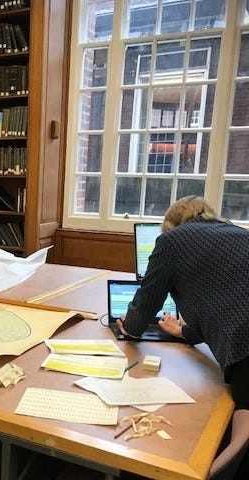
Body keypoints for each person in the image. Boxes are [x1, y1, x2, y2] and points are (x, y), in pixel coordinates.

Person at [117, 195, 249, 478]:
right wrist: (186, 332)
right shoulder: (238, 234)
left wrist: (129, 326)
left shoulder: (171, 241)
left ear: (171, 224)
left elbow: (142, 312)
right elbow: (224, 298)